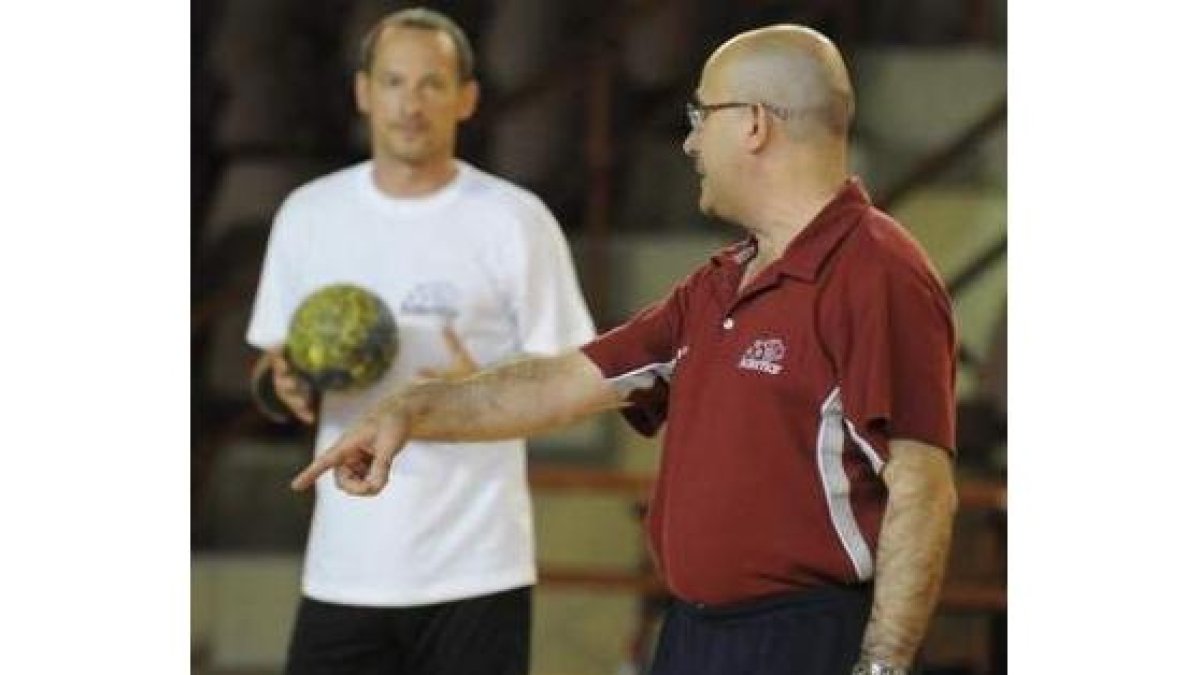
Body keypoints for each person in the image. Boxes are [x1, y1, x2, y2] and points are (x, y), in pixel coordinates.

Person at [293, 23, 957, 675]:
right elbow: (558, 384)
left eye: (702, 114)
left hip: (801, 638)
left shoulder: (878, 271)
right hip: (694, 631)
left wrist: (882, 666)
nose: (690, 140)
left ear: (754, 124)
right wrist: (412, 408)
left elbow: (922, 489)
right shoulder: (719, 282)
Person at [245, 8, 595, 675]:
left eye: (433, 84)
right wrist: (283, 383)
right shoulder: (309, 215)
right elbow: (268, 371)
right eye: (395, 81)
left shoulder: (514, 219)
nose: (411, 103)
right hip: (345, 566)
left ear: (467, 97)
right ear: (363, 91)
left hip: (477, 567)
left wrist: (481, 389)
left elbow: (577, 380)